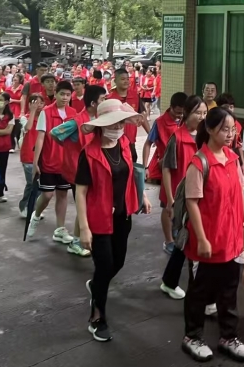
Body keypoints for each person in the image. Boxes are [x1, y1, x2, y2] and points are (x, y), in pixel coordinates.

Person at [76, 99, 152, 342]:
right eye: (113, 123)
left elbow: (132, 175)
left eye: (121, 123)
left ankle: (97, 285)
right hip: (99, 219)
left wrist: (142, 195)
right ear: (101, 125)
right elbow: (80, 192)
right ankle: (97, 318)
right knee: (105, 265)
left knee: (117, 263)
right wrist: (84, 228)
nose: (118, 127)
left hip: (123, 215)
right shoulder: (88, 153)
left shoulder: (126, 145)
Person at [181, 106, 244, 363]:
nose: (230, 134)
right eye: (224, 129)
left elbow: (241, 194)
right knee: (199, 292)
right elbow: (192, 203)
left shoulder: (232, 158)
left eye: (233, 129)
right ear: (209, 129)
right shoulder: (199, 163)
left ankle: (228, 337)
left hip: (232, 241)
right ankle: (192, 337)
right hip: (207, 243)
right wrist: (202, 238)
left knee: (229, 293)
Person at [160, 96, 206, 294]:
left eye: (205, 113)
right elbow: (167, 168)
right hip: (183, 198)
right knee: (186, 238)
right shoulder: (177, 137)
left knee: (187, 239)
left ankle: (170, 281)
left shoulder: (206, 137)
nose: (202, 117)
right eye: (198, 113)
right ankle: (174, 283)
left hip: (200, 195)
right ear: (187, 113)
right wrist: (171, 200)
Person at [57, 84, 107, 256]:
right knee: (83, 205)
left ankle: (82, 238)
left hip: (93, 169)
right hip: (78, 171)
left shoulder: (99, 118)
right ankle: (76, 241)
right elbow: (55, 133)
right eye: (103, 99)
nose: (105, 102)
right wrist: (70, 148)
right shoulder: (76, 122)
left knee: (87, 204)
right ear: (93, 103)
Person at [27, 80, 77, 243]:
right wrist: (35, 162)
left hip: (66, 163)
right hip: (49, 161)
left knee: (62, 195)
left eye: (68, 95)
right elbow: (40, 138)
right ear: (55, 94)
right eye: (62, 94)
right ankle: (36, 215)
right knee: (47, 194)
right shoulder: (46, 112)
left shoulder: (73, 113)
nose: (65, 97)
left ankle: (60, 229)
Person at [143, 92, 186, 191]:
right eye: (178, 112)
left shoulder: (187, 120)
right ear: (171, 107)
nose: (180, 116)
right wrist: (145, 167)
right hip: (164, 165)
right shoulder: (160, 122)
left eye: (183, 113)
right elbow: (148, 144)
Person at [106, 68, 150, 163]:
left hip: (130, 140)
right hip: (114, 141)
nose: (126, 81)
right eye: (122, 79)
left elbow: (142, 116)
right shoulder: (109, 99)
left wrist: (150, 135)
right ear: (115, 81)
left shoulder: (135, 96)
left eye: (127, 79)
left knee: (132, 162)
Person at [18, 93, 45, 219]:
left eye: (41, 103)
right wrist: (32, 111)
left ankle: (35, 208)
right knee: (31, 183)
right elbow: (27, 127)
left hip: (42, 155)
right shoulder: (25, 118)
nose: (38, 105)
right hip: (28, 155)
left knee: (40, 185)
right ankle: (24, 206)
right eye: (35, 103)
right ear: (29, 104)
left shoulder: (45, 118)